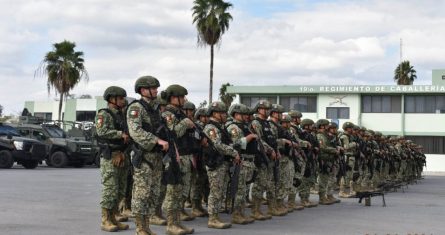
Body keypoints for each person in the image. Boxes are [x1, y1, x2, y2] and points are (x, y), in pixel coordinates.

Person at [127, 75, 168, 235]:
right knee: (142, 193)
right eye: (153, 88)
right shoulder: (136, 108)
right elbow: (135, 131)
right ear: (144, 90)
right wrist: (157, 140)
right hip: (144, 156)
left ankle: (147, 226)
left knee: (154, 192)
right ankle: (140, 228)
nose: (156, 90)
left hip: (157, 157)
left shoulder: (156, 108)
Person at [160, 84, 197, 235]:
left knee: (181, 192)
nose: (184, 99)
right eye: (181, 97)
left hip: (184, 156)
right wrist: (185, 123)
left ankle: (177, 222)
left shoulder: (179, 113)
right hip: (175, 157)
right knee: (173, 192)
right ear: (173, 98)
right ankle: (171, 224)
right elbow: (173, 133)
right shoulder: (168, 114)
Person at [96, 86, 130, 232]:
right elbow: (101, 131)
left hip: (122, 155)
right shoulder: (104, 114)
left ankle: (114, 217)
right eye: (121, 98)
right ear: (112, 99)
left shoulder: (122, 115)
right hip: (110, 156)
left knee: (121, 189)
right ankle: (105, 220)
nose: (123, 101)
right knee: (110, 189)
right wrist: (119, 134)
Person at [203, 101, 240, 229]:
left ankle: (216, 216)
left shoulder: (220, 126)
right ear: (215, 113)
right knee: (216, 191)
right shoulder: (211, 128)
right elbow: (217, 145)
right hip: (215, 163)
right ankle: (212, 218)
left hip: (222, 162)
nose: (225, 115)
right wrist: (234, 152)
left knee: (221, 190)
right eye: (223, 113)